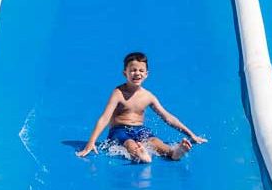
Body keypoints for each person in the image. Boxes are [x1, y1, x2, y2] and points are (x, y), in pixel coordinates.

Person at [76, 51, 207, 163]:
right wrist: (91, 142)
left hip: (140, 129)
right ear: (125, 73)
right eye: (133, 70)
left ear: (146, 74)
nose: (137, 73)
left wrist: (191, 135)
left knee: (155, 141)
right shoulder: (118, 93)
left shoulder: (148, 96)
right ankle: (140, 154)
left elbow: (168, 117)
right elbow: (105, 118)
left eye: (141, 70)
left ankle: (174, 152)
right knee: (129, 143)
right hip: (119, 131)